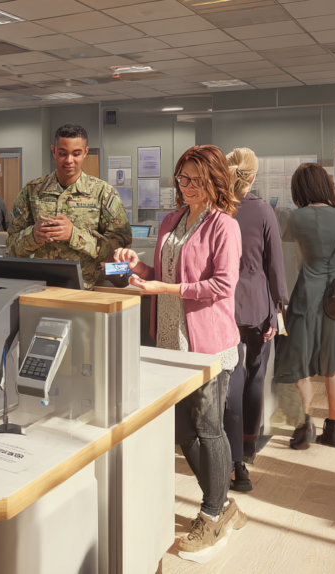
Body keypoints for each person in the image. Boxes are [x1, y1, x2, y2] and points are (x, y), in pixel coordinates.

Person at [112, 145, 246, 556]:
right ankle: (223, 504)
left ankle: (212, 512)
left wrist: (163, 288)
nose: (185, 187)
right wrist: (137, 267)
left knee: (209, 429)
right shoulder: (171, 220)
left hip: (208, 344)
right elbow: (162, 274)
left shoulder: (224, 226)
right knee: (183, 430)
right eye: (181, 179)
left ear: (214, 180)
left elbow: (222, 286)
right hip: (171, 340)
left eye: (194, 180)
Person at [275, 163, 335, 450]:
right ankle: (334, 429)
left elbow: (266, 239)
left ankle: (304, 426)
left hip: (306, 297)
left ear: (299, 189)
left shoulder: (294, 218)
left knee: (299, 362)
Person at [222, 148, 287, 491]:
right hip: (257, 306)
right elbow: (274, 263)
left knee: (229, 377)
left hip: (221, 306)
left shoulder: (217, 209)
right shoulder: (262, 209)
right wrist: (279, 307)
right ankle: (247, 445)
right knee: (255, 375)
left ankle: (228, 452)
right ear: (252, 177)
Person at [8, 124, 132, 290]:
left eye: (76, 154)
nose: (69, 160)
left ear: (85, 152)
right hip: (38, 289)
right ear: (54, 151)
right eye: (62, 153)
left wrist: (75, 235)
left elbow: (121, 248)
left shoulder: (103, 193)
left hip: (84, 291)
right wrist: (33, 236)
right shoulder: (32, 191)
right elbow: (11, 246)